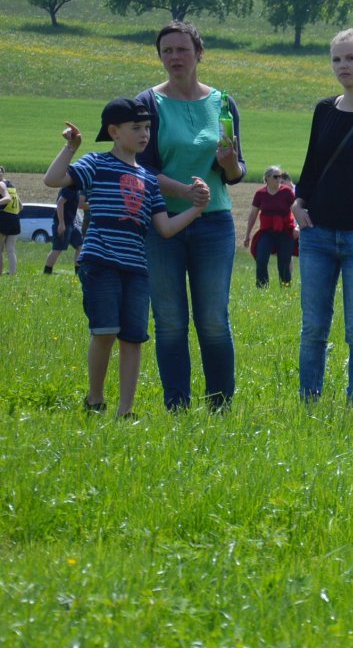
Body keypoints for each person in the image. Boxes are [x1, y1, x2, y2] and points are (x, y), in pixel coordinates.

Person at [43, 99, 206, 415]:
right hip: (100, 262)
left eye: (147, 128)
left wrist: (197, 209)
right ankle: (95, 400)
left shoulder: (150, 180)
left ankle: (125, 410)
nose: (144, 134)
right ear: (114, 132)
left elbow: (166, 228)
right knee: (104, 331)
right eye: (136, 128)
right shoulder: (96, 163)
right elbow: (53, 179)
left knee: (133, 338)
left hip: (136, 270)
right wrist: (71, 148)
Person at [135, 21, 246, 411]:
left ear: (199, 53)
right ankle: (177, 407)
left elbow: (236, 173)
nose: (174, 57)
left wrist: (228, 163)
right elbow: (141, 169)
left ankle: (220, 406)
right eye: (167, 51)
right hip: (162, 224)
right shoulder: (147, 104)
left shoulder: (222, 103)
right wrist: (184, 191)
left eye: (182, 49)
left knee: (213, 319)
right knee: (169, 321)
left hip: (213, 224)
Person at [292, 27, 353, 405]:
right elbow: (312, 164)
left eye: (351, 58)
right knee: (313, 328)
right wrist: (298, 201)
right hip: (318, 233)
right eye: (337, 59)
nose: (343, 65)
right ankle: (308, 403)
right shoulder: (324, 109)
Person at [243, 166, 297, 288]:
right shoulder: (260, 194)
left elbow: (296, 210)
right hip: (267, 232)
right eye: (276, 176)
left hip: (285, 232)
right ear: (267, 178)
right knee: (261, 259)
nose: (279, 179)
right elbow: (253, 215)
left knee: (284, 262)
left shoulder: (287, 192)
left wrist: (297, 227)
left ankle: (285, 289)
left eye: (280, 176)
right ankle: (262, 288)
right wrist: (247, 235)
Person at [43, 183, 83, 274]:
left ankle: (78, 272)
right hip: (63, 224)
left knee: (80, 246)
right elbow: (60, 203)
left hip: (72, 224)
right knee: (58, 249)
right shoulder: (69, 188)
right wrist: (61, 223)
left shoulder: (76, 189)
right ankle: (47, 272)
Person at [0, 169, 19, 276]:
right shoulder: (11, 185)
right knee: (11, 249)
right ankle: (12, 273)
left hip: (3, 218)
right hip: (15, 218)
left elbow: (7, 199)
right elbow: (21, 206)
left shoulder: (0, 184)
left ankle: (0, 273)